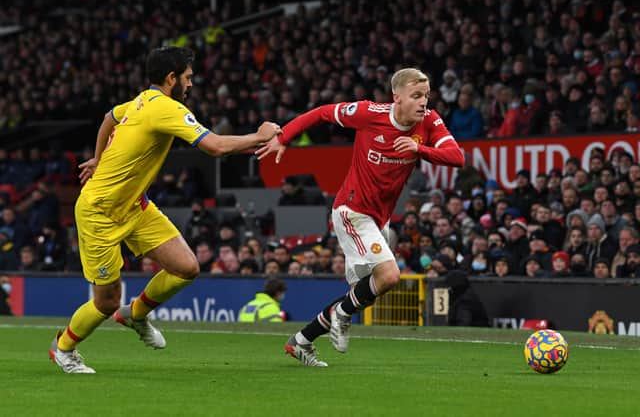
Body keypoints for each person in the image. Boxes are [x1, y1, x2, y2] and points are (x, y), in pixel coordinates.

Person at [48, 47, 281, 374]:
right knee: (106, 301)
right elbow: (213, 147)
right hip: (98, 211)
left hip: (135, 206)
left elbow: (108, 119)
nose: (190, 84)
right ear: (171, 78)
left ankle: (136, 314)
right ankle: (63, 348)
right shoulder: (165, 108)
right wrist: (259, 136)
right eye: (187, 78)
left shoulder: (141, 101)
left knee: (186, 267)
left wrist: (100, 157)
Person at [257, 67, 464, 366]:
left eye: (426, 96)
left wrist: (420, 149)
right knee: (389, 276)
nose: (423, 103)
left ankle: (301, 341)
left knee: (362, 291)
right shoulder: (369, 113)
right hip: (352, 211)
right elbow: (321, 113)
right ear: (397, 98)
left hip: (379, 219)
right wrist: (284, 138)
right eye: (416, 96)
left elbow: (457, 157)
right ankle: (339, 316)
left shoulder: (429, 122)